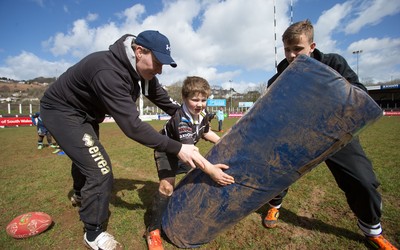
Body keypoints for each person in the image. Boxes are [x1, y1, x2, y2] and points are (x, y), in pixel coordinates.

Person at [40, 30, 231, 250]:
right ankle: (93, 233)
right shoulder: (108, 71)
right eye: (158, 62)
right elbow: (132, 126)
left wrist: (188, 116)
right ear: (139, 52)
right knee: (100, 169)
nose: (160, 69)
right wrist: (178, 148)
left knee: (84, 154)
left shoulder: (141, 71)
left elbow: (164, 100)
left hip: (87, 114)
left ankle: (80, 194)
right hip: (62, 112)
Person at [263, 20, 397, 250]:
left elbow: (360, 94)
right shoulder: (278, 79)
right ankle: (275, 204)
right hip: (298, 139)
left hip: (336, 135)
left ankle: (372, 230)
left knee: (363, 181)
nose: (292, 55)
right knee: (276, 175)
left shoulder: (333, 63)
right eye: (287, 49)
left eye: (298, 48)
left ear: (312, 46)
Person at [145, 76, 235, 250]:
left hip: (185, 153)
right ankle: (153, 231)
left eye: (203, 99)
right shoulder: (182, 119)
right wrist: (211, 170)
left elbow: (205, 131)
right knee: (167, 187)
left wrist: (222, 143)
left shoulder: (201, 115)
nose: (200, 104)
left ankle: (177, 203)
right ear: (184, 99)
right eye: (195, 99)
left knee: (194, 171)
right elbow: (190, 153)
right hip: (167, 152)